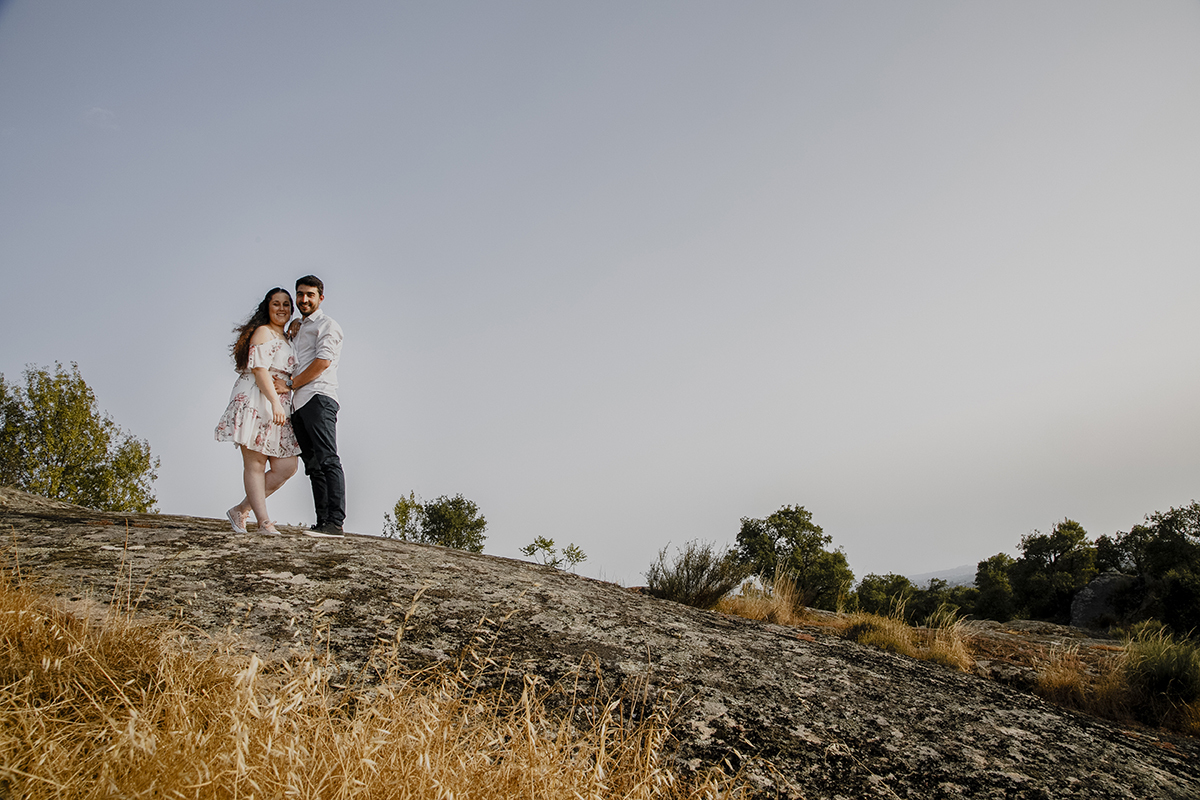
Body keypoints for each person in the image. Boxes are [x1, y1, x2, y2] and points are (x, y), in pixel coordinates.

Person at [214, 287, 301, 535]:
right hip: (257, 399)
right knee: (256, 463)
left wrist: (296, 325)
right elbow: (260, 370)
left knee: (287, 466)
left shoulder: (287, 337)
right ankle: (263, 522)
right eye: (276, 304)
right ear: (267, 307)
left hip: (280, 403)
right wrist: (273, 402)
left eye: (286, 304)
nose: (281, 309)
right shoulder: (262, 332)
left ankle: (241, 509)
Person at [276, 274, 346, 538]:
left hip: (319, 397)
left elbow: (322, 362)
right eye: (300, 294)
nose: (304, 299)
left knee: (328, 459)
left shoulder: (327, 325)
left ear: (321, 298)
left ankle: (335, 523)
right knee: (313, 464)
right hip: (299, 405)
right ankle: (322, 521)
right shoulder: (299, 327)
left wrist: (291, 384)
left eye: (310, 295)